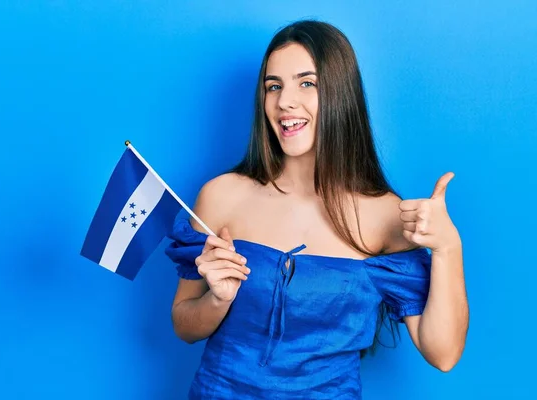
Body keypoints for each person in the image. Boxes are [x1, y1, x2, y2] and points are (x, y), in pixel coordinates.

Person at [166, 19, 469, 399]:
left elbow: (442, 353)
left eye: (306, 83)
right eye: (273, 86)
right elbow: (184, 324)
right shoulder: (221, 195)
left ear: (341, 94)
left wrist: (448, 247)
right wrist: (217, 299)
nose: (284, 102)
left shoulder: (387, 217)